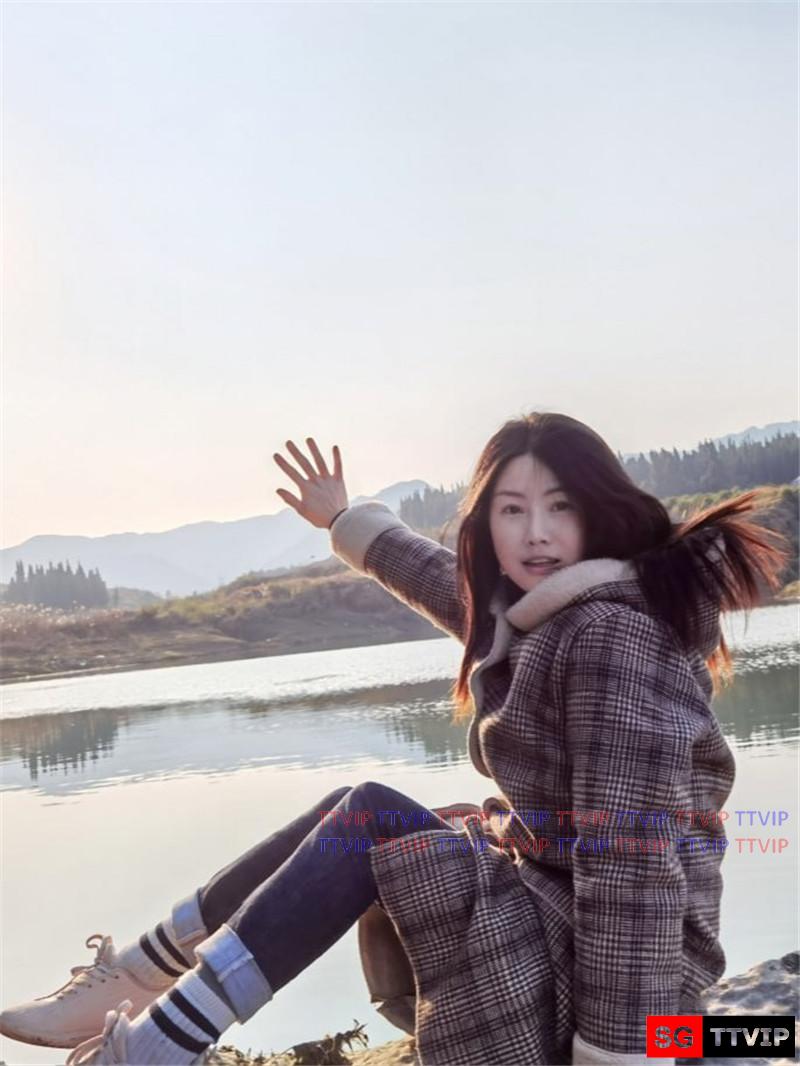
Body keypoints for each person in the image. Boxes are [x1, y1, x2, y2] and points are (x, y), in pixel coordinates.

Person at [0, 412, 786, 1066]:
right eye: (512, 510)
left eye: (561, 507)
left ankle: (157, 1040)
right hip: (588, 954)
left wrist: (615, 1055)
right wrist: (345, 521)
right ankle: (142, 976)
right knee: (369, 811)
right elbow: (449, 588)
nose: (537, 534)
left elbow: (632, 864)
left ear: (600, 513)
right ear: (487, 524)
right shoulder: (556, 613)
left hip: (635, 1000)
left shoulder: (611, 637)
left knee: (375, 817)